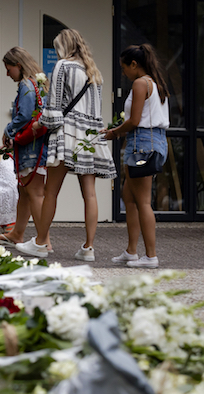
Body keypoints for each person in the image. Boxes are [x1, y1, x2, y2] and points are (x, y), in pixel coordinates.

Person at [16, 29, 117, 260]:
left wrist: (38, 124)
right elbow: (95, 111)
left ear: (63, 47)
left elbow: (54, 109)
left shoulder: (63, 66)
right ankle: (88, 248)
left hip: (68, 134)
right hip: (90, 134)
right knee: (90, 194)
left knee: (51, 191)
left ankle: (41, 243)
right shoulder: (94, 72)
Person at [100, 44, 169, 269]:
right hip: (150, 142)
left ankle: (150, 256)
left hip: (142, 143)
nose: (123, 73)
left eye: (123, 68)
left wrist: (114, 133)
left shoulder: (141, 83)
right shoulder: (155, 83)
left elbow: (135, 120)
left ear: (134, 64)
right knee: (128, 197)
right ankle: (131, 251)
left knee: (143, 201)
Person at [0, 47, 52, 251]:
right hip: (37, 145)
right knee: (25, 191)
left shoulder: (26, 84)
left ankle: (44, 241)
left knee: (35, 193)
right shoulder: (39, 84)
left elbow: (25, 115)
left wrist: (9, 130)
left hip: (31, 149)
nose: (8, 74)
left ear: (18, 65)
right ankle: (17, 233)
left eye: (8, 69)